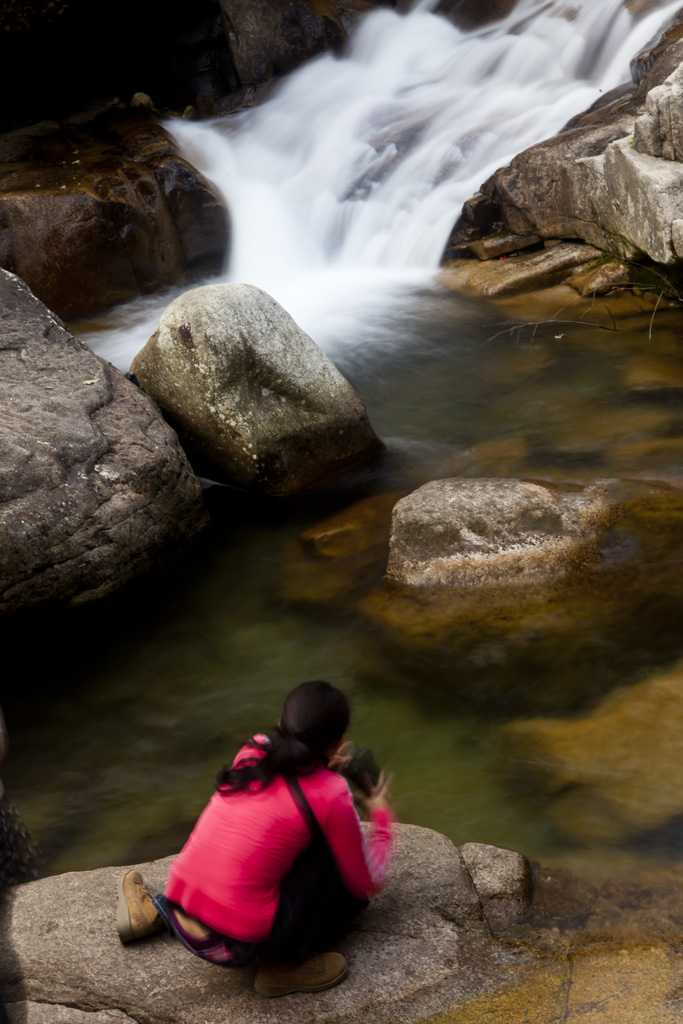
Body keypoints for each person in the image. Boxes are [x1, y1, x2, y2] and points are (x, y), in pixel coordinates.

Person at [116, 680, 394, 997]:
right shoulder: (331, 793)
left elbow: (280, 790)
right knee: (331, 857)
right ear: (341, 740)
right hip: (237, 948)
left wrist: (323, 762)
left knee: (247, 836)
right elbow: (368, 880)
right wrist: (382, 816)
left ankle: (152, 913)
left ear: (282, 722)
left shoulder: (253, 747)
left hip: (181, 915)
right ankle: (286, 966)